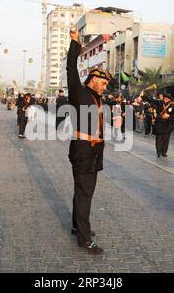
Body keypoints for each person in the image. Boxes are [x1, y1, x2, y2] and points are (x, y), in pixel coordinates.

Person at [67, 27, 111, 255]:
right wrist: (75, 43)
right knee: (85, 193)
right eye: (103, 83)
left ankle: (77, 225)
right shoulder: (79, 93)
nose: (105, 87)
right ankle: (85, 239)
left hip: (94, 152)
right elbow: (71, 70)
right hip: (83, 150)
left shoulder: (96, 98)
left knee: (83, 192)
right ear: (92, 80)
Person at [154, 93, 174, 157]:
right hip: (159, 124)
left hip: (168, 125)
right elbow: (152, 100)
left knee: (166, 139)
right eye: (164, 98)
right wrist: (143, 95)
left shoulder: (172, 106)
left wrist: (169, 116)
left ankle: (164, 152)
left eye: (166, 99)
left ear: (169, 100)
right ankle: (158, 151)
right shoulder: (159, 103)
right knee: (159, 138)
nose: (165, 100)